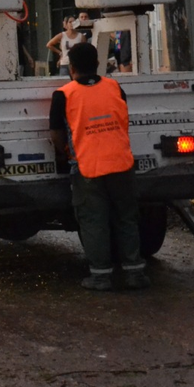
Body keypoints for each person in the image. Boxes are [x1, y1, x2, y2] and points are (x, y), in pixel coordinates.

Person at [49, 42, 149, 291]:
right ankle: (134, 274)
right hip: (121, 163)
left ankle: (101, 276)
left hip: (87, 168)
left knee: (94, 221)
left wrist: (67, 153)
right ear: (97, 65)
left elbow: (57, 135)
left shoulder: (64, 94)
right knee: (126, 218)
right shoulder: (115, 87)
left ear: (71, 68)